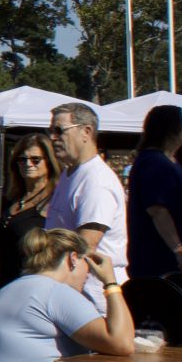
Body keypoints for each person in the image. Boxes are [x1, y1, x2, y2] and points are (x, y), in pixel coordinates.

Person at [0, 228, 134, 362]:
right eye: (87, 264)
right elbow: (122, 343)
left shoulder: (6, 292)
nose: (88, 273)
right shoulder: (56, 292)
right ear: (73, 259)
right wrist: (110, 282)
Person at [45, 102, 129, 308]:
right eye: (50, 131)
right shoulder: (70, 173)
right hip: (74, 289)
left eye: (59, 131)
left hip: (94, 296)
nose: (52, 138)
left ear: (86, 132)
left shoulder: (96, 181)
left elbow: (84, 246)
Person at [127, 104, 182, 280]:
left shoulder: (166, 162)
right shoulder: (154, 164)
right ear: (171, 131)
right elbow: (158, 210)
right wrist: (179, 251)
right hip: (168, 268)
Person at [0, 135, 60, 288]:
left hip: (37, 287)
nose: (28, 164)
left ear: (49, 161)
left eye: (35, 159)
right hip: (7, 285)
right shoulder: (11, 199)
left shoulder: (55, 200)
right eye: (22, 160)